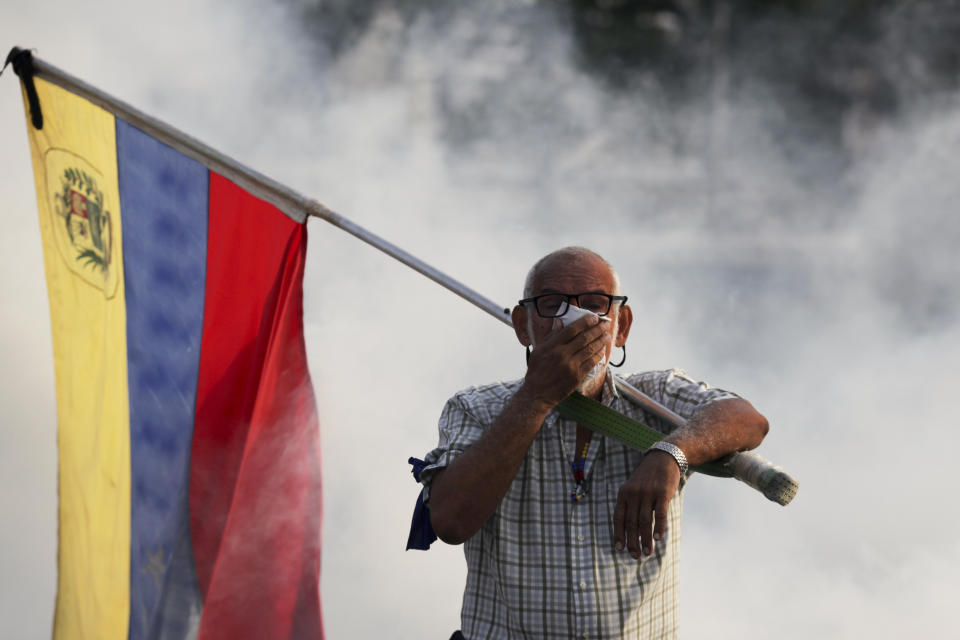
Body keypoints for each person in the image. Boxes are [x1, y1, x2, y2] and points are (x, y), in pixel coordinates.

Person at [416, 247, 769, 639]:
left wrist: (670, 455)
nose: (574, 321)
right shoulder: (476, 408)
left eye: (595, 305)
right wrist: (536, 398)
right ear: (523, 325)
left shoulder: (658, 400)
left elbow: (747, 419)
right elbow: (449, 521)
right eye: (551, 305)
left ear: (621, 327)